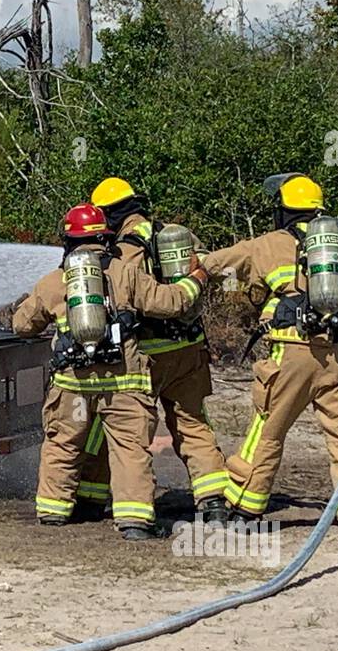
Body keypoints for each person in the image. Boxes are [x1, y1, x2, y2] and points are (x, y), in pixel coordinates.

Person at [196, 174, 338, 550]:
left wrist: (187, 271)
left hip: (289, 353)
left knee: (268, 431)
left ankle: (243, 507)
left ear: (283, 211)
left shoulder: (266, 246)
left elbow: (215, 265)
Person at [12, 203, 208, 540]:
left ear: (68, 240)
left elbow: (22, 325)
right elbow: (171, 303)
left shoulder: (54, 282)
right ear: (106, 238)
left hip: (72, 385)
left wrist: (31, 305)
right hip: (123, 383)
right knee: (129, 448)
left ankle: (52, 511)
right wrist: (197, 279)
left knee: (63, 444)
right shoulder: (126, 274)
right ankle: (134, 522)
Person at [75, 178, 230, 525]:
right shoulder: (177, 234)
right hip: (189, 350)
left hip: (144, 357)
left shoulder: (123, 250)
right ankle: (214, 500)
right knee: (193, 423)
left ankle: (91, 497)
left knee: (123, 429)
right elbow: (207, 269)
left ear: (110, 214)